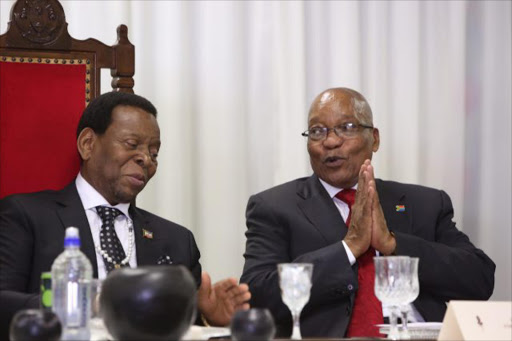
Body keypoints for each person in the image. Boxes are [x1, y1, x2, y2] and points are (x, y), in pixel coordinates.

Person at [240, 87, 495, 338]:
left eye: (347, 127)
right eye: (317, 131)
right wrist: (349, 248)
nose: (330, 141)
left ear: (374, 139)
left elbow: (480, 279)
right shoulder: (274, 207)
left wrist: (394, 243)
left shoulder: (424, 203)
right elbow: (257, 294)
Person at [0, 92, 250, 339]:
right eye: (132, 145)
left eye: (154, 153)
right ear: (88, 144)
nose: (146, 159)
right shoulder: (25, 216)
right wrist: (86, 304)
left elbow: (179, 328)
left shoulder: (176, 240)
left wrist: (208, 317)